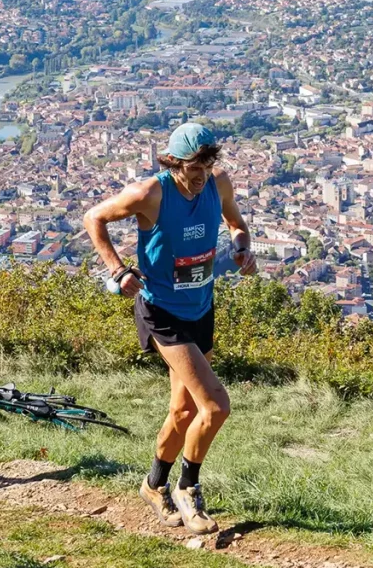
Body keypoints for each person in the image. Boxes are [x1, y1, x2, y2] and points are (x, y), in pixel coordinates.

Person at [83, 122, 256, 534]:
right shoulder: (151, 193)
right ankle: (187, 488)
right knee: (215, 406)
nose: (200, 177)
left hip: (201, 308)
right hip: (162, 312)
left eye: (206, 166)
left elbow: (238, 226)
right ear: (174, 162)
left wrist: (242, 248)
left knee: (183, 410)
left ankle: (153, 485)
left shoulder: (218, 184)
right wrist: (118, 270)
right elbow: (94, 218)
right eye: (193, 168)